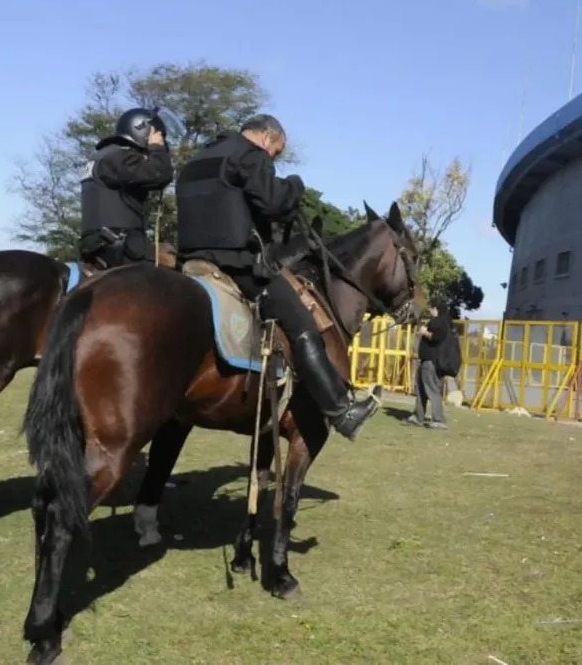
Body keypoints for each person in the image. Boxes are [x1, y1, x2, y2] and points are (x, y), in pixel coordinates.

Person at [175, 113, 381, 441]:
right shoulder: (249, 154)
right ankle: (341, 411)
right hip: (234, 264)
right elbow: (273, 202)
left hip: (188, 263)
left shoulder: (197, 160)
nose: (273, 158)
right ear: (267, 138)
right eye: (277, 152)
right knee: (302, 325)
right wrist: (294, 185)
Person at [79, 107, 174, 269]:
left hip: (97, 243)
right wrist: (156, 148)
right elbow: (160, 174)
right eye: (159, 136)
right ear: (143, 132)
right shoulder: (119, 157)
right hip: (122, 247)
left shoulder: (101, 155)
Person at [404, 299, 450, 429]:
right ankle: (418, 417)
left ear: (436, 309)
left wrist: (425, 332)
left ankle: (439, 420)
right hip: (426, 361)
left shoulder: (439, 321)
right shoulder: (442, 321)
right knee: (420, 390)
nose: (429, 310)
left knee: (432, 390)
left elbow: (437, 337)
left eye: (431, 308)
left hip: (431, 361)